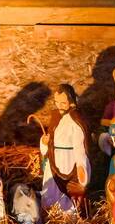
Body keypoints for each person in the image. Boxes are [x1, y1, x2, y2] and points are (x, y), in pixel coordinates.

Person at [38, 84, 90, 215]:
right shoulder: (56, 116)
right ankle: (50, 213)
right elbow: (51, 139)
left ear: (71, 102)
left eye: (63, 103)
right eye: (57, 102)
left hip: (68, 159)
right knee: (51, 189)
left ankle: (68, 215)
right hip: (54, 160)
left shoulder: (76, 119)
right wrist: (44, 142)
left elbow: (80, 146)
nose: (59, 106)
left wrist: (81, 165)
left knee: (66, 190)